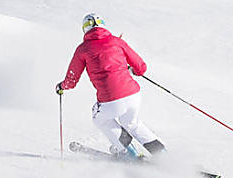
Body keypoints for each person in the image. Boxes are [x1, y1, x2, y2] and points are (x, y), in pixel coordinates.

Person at [56, 13, 164, 157]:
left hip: (110, 100)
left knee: (99, 119)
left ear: (85, 29)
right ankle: (162, 154)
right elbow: (141, 68)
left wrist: (62, 87)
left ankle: (128, 152)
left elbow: (72, 79)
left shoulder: (83, 49)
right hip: (133, 95)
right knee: (132, 123)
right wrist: (132, 70)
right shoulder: (116, 41)